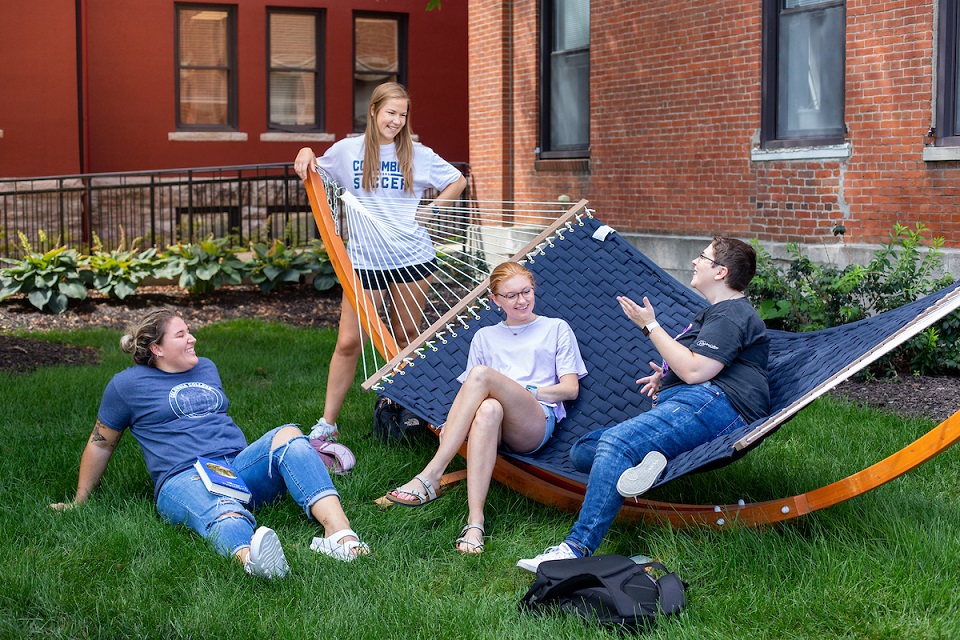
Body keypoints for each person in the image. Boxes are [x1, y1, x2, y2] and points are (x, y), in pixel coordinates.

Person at [50, 308, 368, 580]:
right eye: (181, 335)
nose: (192, 339)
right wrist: (80, 500)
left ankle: (339, 535)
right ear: (157, 349)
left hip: (235, 465)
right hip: (182, 476)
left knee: (290, 435)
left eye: (189, 332)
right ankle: (253, 561)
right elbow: (101, 443)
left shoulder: (206, 367)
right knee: (224, 511)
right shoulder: (127, 385)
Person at [517, 237, 770, 572]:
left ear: (721, 271)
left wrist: (650, 325)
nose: (695, 262)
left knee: (616, 443)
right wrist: (666, 377)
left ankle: (574, 550)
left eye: (702, 257)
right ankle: (648, 464)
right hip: (695, 399)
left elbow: (697, 369)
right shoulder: (714, 313)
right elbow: (692, 364)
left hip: (719, 404)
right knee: (582, 450)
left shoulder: (732, 314)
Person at [293, 82, 467, 441]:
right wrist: (307, 149)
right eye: (391, 112)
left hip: (411, 258)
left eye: (403, 115)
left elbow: (457, 180)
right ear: (373, 111)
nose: (397, 121)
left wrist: (432, 212)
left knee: (403, 338)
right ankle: (327, 424)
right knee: (347, 342)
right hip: (363, 261)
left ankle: (395, 409)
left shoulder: (418, 154)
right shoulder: (346, 151)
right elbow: (313, 172)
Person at [380, 262, 588, 554]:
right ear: (495, 299)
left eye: (526, 291)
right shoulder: (485, 336)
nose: (522, 300)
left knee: (481, 375)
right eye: (511, 295)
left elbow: (570, 388)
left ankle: (430, 476)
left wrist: (526, 389)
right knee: (488, 407)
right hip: (493, 424)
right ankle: (475, 523)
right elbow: (471, 395)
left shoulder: (555, 328)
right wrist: (454, 422)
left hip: (534, 420)